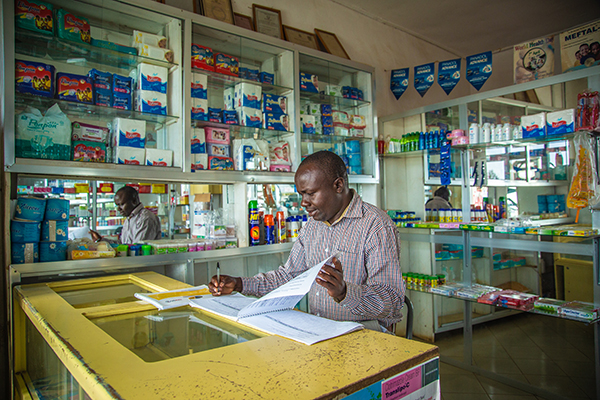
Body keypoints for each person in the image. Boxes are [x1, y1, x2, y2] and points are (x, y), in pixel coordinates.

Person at [209, 151, 404, 332]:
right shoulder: (313, 226)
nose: (304, 202)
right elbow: (288, 277)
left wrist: (345, 292)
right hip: (318, 332)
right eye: (302, 194)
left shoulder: (376, 227)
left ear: (338, 185)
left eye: (311, 193)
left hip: (365, 338)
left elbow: (393, 302)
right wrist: (240, 284)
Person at [90, 186, 161, 244]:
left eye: (121, 204)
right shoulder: (129, 218)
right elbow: (122, 244)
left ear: (134, 201)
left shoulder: (145, 218)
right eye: (117, 205)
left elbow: (137, 248)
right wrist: (101, 240)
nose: (118, 209)